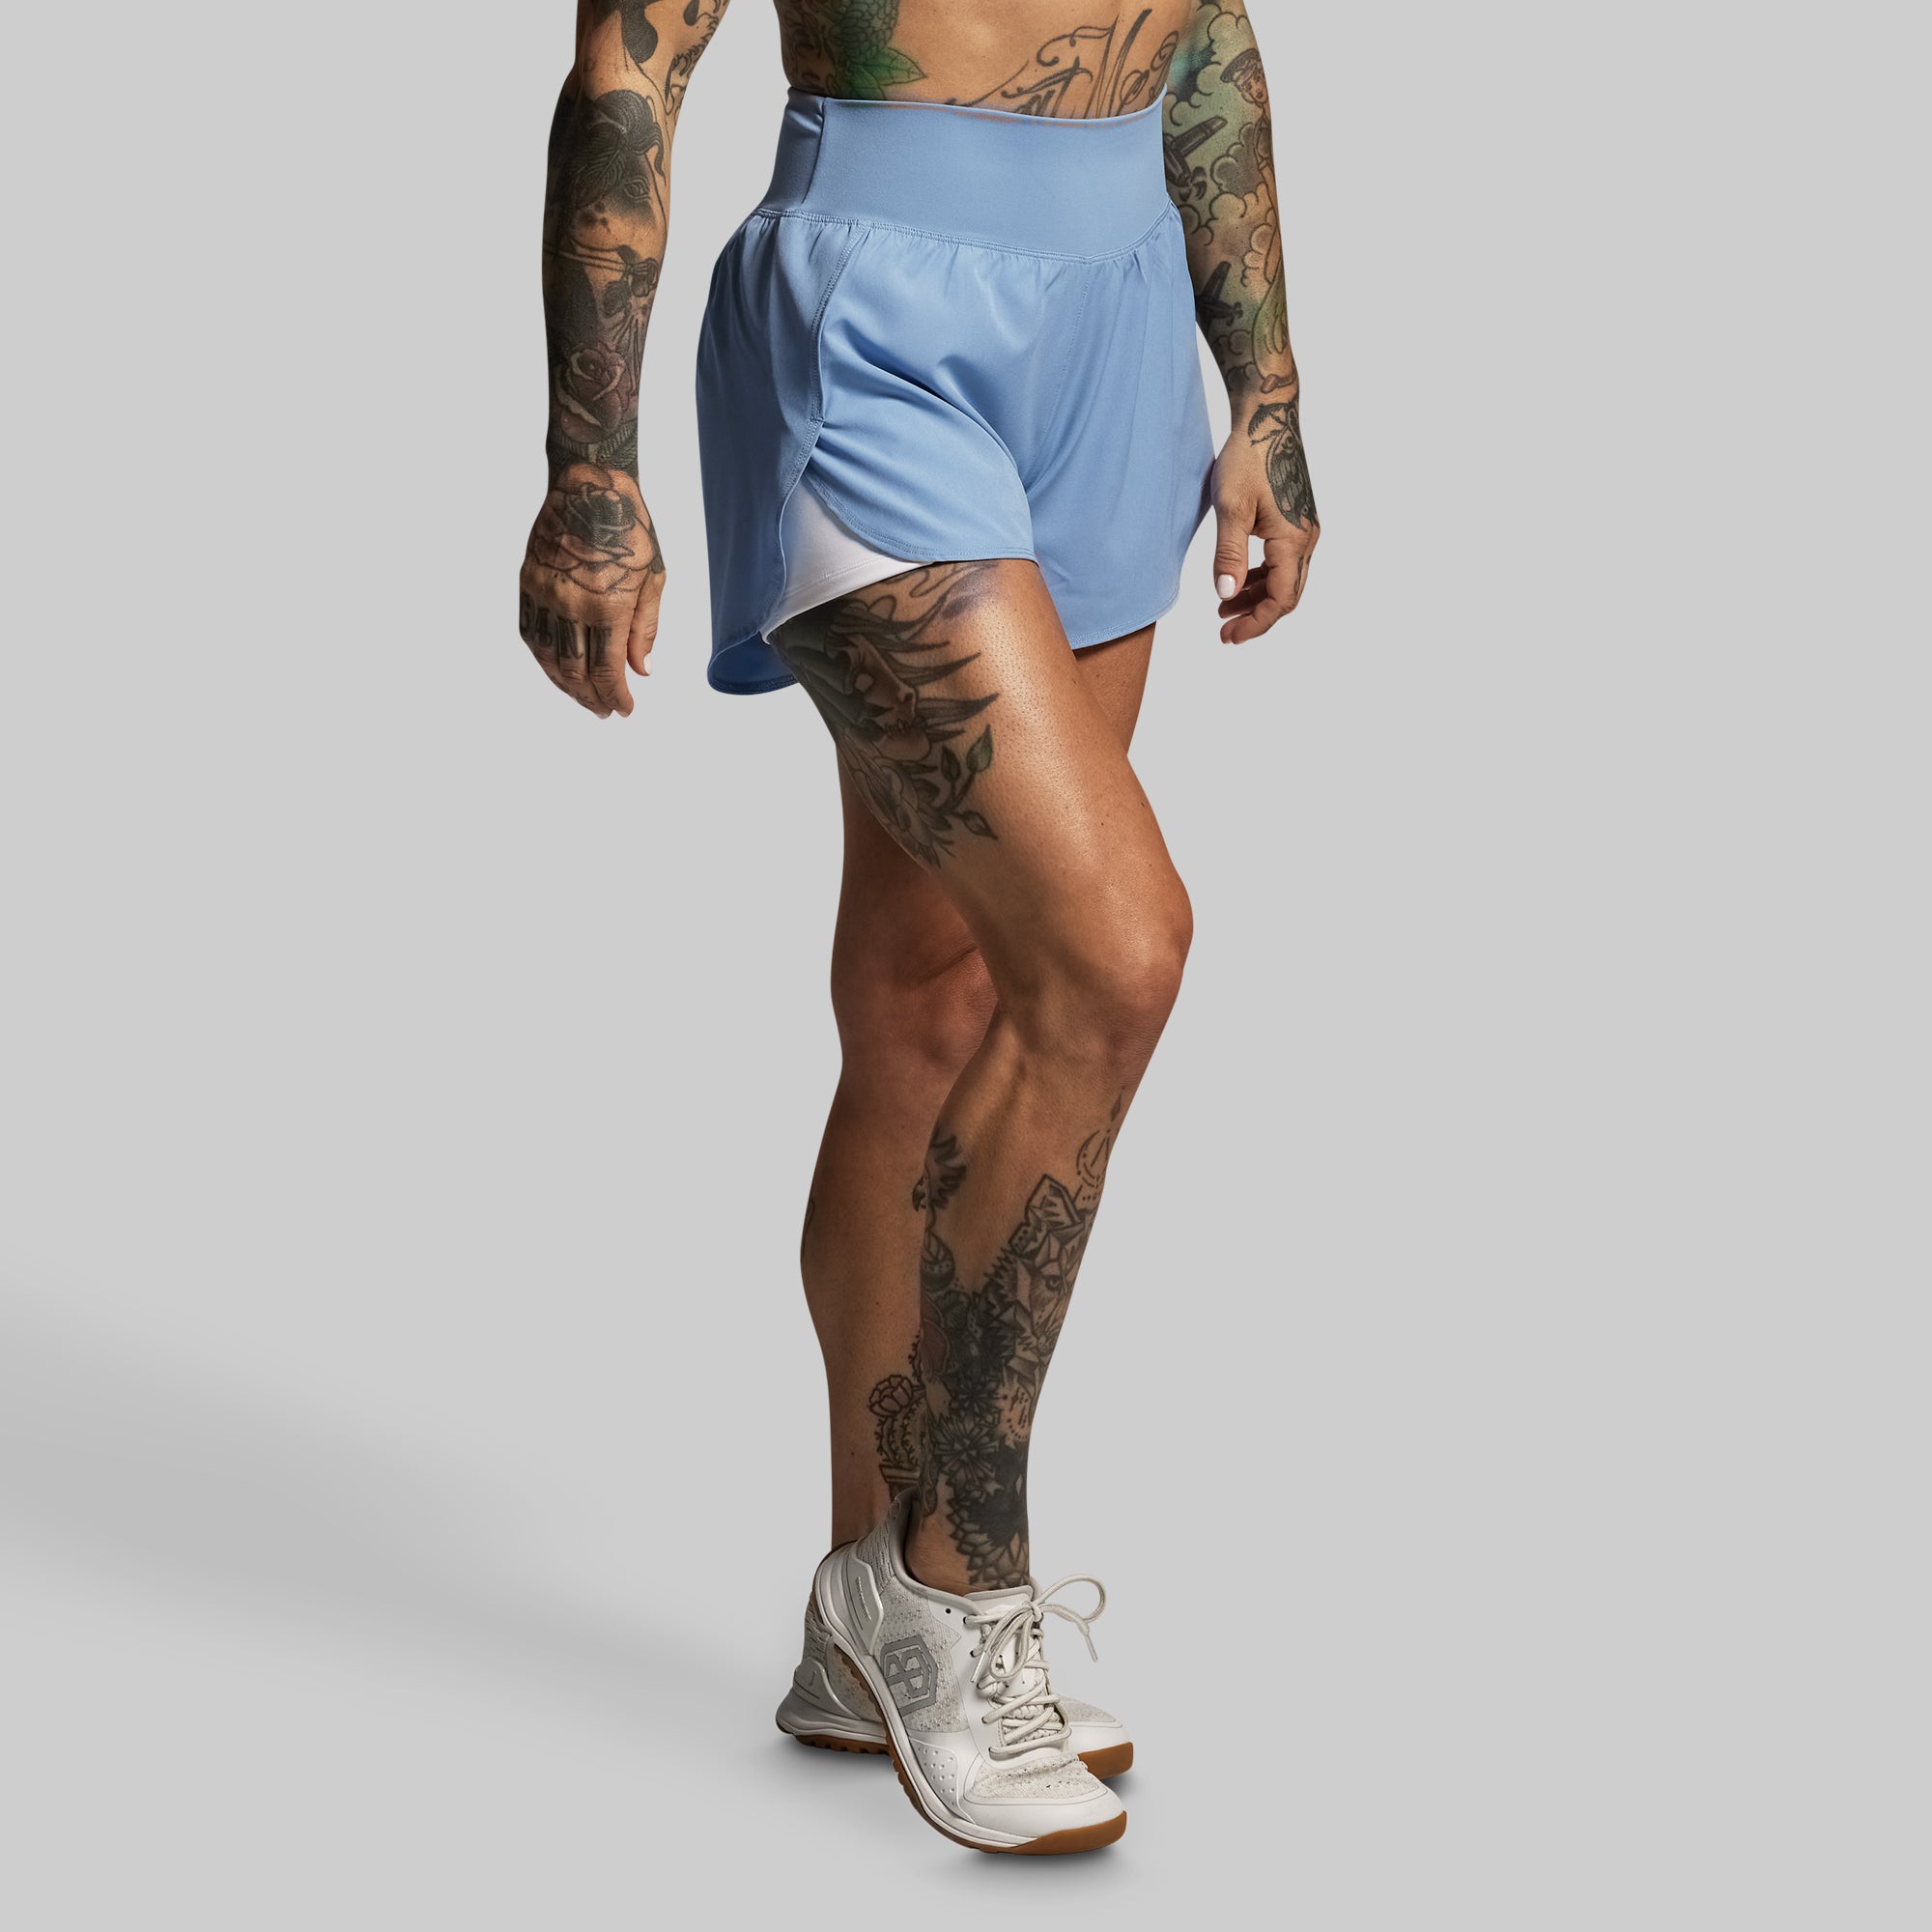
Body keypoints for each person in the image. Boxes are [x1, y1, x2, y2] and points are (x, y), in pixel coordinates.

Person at [518, 0, 1318, 1855]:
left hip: (1119, 316)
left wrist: (1267, 390)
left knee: (936, 996)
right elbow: (629, 68)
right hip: (876, 317)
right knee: (1111, 956)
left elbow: (1205, 30)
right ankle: (957, 1582)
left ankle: (857, 1622)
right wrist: (590, 463)